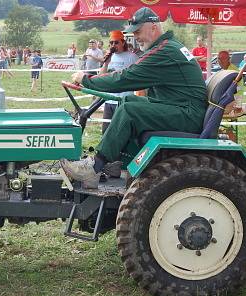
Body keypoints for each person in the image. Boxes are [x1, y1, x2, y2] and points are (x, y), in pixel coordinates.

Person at [60, 7, 207, 188]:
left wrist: (87, 80)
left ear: (153, 27)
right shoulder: (169, 46)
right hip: (181, 107)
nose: (135, 36)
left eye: (137, 31)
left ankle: (94, 167)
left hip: (187, 114)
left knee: (130, 110)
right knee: (128, 101)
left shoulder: (164, 52)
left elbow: (126, 78)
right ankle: (115, 164)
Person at [100, 30, 138, 133]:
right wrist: (106, 64)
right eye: (111, 43)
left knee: (120, 131)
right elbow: (101, 77)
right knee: (106, 131)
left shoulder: (132, 57)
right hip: (108, 100)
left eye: (116, 42)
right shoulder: (109, 57)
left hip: (123, 100)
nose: (113, 45)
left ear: (123, 42)